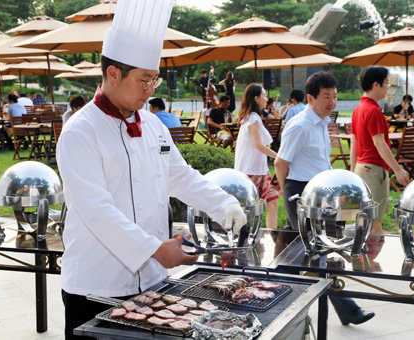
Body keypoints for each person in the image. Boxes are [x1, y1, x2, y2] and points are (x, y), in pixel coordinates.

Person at [56, 1, 247, 338]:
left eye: (154, 82)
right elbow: (97, 210)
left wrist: (224, 205)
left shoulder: (153, 124)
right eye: (144, 80)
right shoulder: (79, 132)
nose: (149, 90)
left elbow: (180, 175)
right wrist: (155, 249)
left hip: (154, 283)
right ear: (112, 73)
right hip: (98, 286)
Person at [275, 71, 375, 326]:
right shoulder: (299, 125)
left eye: (335, 97)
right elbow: (280, 162)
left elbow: (319, 162)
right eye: (326, 97)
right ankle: (346, 309)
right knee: (314, 251)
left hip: (320, 193)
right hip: (300, 193)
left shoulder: (321, 122)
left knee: (302, 255)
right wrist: (291, 198)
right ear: (310, 98)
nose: (332, 102)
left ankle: (273, 296)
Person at [351, 66, 410, 236]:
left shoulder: (359, 108)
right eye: (386, 83)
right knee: (374, 224)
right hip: (374, 169)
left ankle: (367, 258)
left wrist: (352, 172)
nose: (387, 87)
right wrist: (398, 170)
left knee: (365, 220)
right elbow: (380, 143)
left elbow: (354, 142)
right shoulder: (374, 110)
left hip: (362, 169)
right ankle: (372, 261)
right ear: (376, 85)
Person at [235, 84, 279, 229]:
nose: (266, 99)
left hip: (259, 169)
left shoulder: (252, 117)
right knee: (249, 210)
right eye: (264, 95)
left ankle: (271, 234)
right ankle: (246, 238)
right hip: (251, 171)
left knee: (273, 202)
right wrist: (278, 157)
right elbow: (259, 145)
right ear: (256, 98)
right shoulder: (252, 119)